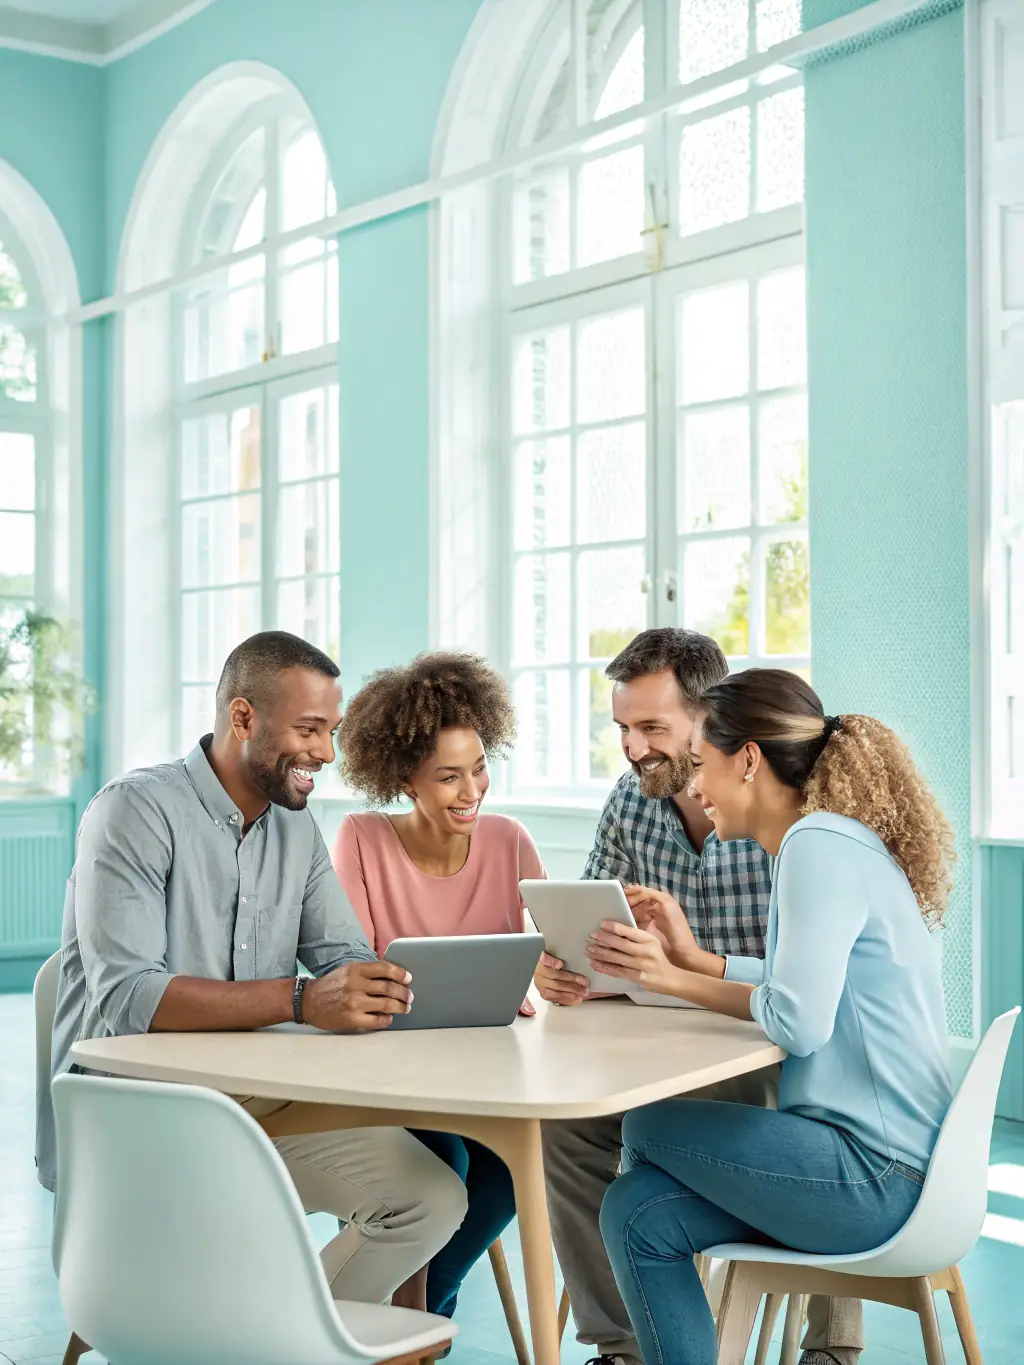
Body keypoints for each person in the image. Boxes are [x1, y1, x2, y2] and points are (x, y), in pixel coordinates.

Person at [39, 631, 469, 1307]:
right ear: (243, 718)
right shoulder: (133, 811)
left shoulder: (297, 829)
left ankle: (290, 1341)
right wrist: (301, 1000)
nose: (326, 753)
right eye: (308, 729)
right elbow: (130, 998)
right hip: (141, 1118)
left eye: (331, 730)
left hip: (259, 1105)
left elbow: (344, 957)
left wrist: (381, 986)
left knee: (430, 1196)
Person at [589, 669, 954, 1365]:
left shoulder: (814, 845)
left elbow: (800, 1020)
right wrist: (699, 960)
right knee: (634, 1210)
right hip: (893, 1169)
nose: (696, 788)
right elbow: (806, 985)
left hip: (876, 1175)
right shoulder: (833, 841)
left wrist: (668, 976)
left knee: (644, 1122)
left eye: (703, 765)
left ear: (748, 759)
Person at [535, 629, 862, 1365]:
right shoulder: (630, 801)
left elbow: (807, 995)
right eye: (622, 727)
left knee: (807, 1097)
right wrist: (564, 966)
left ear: (710, 721)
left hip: (770, 1045)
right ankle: (623, 1345)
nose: (632, 747)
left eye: (652, 727)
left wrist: (691, 968)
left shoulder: (787, 818)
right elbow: (589, 912)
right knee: (571, 1128)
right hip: (663, 1041)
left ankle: (832, 1347)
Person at [332, 650, 545, 1323]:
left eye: (479, 768)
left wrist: (564, 971)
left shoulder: (510, 841)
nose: (471, 791)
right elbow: (350, 964)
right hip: (389, 1075)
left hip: (489, 1075)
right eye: (448, 776)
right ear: (405, 779)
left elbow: (552, 962)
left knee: (515, 1164)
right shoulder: (362, 838)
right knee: (444, 1159)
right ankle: (423, 1324)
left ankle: (421, 1316)